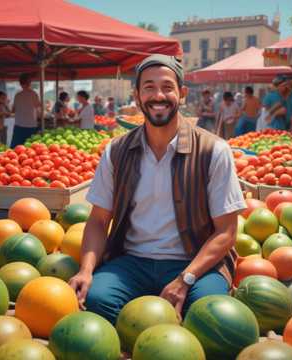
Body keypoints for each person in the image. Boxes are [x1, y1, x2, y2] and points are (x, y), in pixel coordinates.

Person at [69, 54, 245, 330]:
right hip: (131, 262)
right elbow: (98, 220)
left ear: (182, 94)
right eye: (149, 87)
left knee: (210, 316)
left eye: (167, 87)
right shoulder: (117, 151)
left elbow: (226, 233)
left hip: (194, 262)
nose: (158, 95)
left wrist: (185, 279)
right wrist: (86, 270)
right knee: (93, 299)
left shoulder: (214, 151)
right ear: (137, 96)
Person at [11, 74, 41, 147]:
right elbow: (38, 107)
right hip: (31, 124)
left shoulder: (17, 95)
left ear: (20, 83)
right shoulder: (34, 94)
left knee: (16, 148)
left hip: (19, 124)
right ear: (30, 83)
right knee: (30, 148)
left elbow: (13, 110)